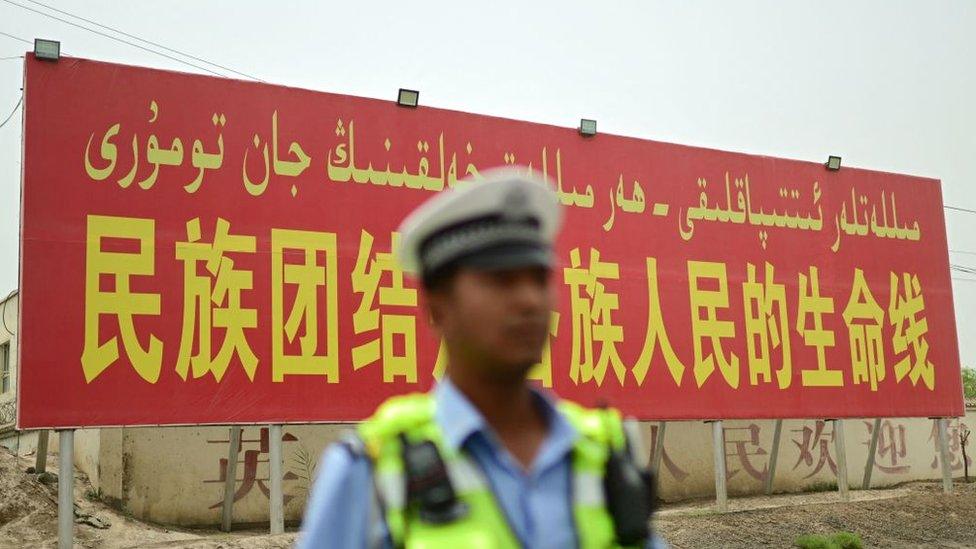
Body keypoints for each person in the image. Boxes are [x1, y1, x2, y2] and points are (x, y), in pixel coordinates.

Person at [298, 167, 665, 548]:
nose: (530, 300)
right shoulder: (372, 471)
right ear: (437, 309)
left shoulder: (603, 458)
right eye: (501, 280)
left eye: (539, 279)